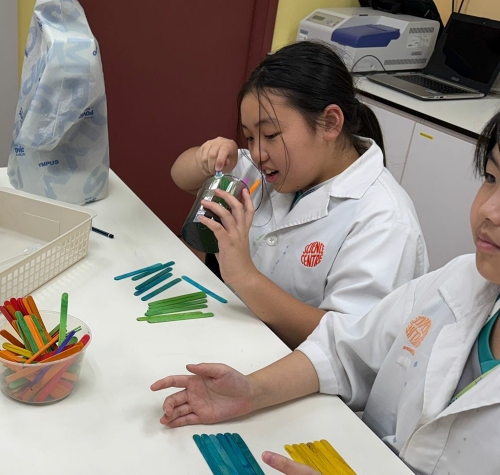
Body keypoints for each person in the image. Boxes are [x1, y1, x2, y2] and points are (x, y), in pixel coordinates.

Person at [151, 87, 500, 475]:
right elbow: (345, 347)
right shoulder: (465, 282)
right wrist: (252, 391)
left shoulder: (389, 222)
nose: (488, 210)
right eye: (490, 177)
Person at [171, 41, 428, 348]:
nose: (257, 152)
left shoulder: (384, 221)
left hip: (299, 366)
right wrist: (206, 158)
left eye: (270, 135)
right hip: (239, 335)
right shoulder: (266, 171)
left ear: (330, 123)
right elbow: (182, 177)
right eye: (249, 137)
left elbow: (349, 342)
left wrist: (245, 278)